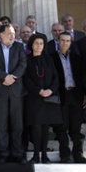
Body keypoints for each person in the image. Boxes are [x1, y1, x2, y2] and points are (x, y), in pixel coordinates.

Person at [0, 24, 27, 164]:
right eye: (9, 33)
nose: (13, 35)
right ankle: (3, 153)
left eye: (14, 33)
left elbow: (23, 64)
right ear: (1, 35)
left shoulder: (19, 47)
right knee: (1, 124)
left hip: (16, 90)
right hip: (0, 89)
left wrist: (13, 77)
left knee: (17, 125)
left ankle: (18, 153)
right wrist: (4, 77)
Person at [51, 32, 86, 164]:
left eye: (68, 41)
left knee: (76, 128)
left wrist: (84, 95)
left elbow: (82, 78)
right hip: (61, 96)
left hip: (76, 95)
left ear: (71, 42)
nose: (65, 43)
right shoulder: (51, 58)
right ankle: (65, 155)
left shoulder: (77, 57)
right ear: (58, 41)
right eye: (62, 40)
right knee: (62, 127)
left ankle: (78, 154)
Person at [24, 34, 63, 164]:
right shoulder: (27, 59)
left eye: (41, 43)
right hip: (34, 98)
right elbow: (26, 79)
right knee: (35, 127)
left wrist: (50, 90)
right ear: (31, 45)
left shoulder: (49, 59)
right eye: (36, 43)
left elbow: (55, 78)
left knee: (46, 127)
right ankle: (36, 155)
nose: (38, 46)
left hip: (48, 98)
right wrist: (39, 90)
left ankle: (44, 155)